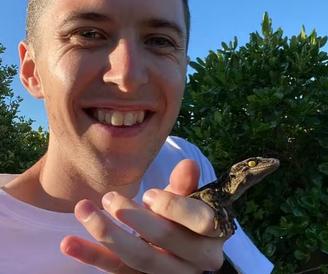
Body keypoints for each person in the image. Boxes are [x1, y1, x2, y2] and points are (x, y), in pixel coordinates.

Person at [0, 0, 274, 273]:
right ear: (31, 70)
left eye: (159, 41)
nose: (127, 77)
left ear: (183, 70)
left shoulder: (180, 158)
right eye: (89, 34)